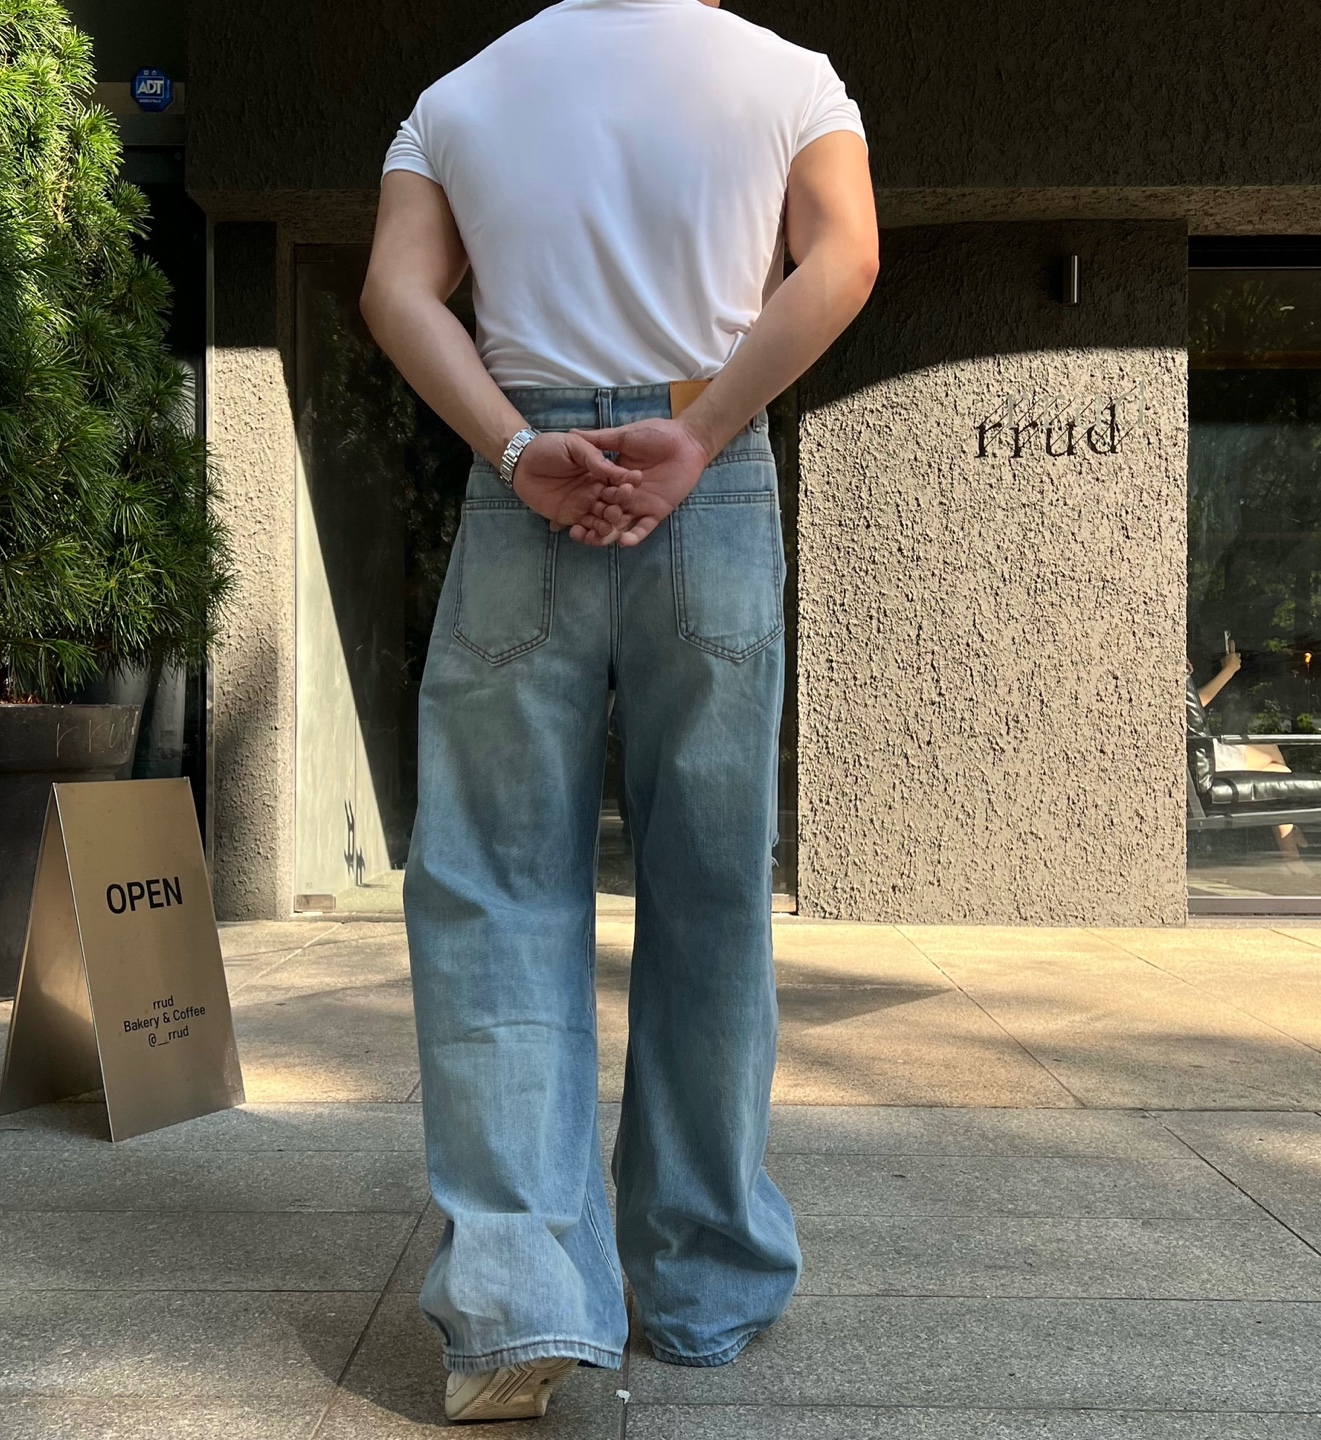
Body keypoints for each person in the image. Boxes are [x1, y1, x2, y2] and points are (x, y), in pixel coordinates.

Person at [360, 0, 878, 1422]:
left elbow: (396, 295)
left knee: (494, 890)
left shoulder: (458, 96)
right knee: (710, 891)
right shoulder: (791, 78)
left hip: (524, 481)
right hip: (708, 483)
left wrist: (519, 445)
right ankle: (699, 1286)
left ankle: (521, 1308)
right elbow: (845, 258)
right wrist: (697, 433)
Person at [1187, 639, 1305, 860]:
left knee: (1280, 773)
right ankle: (1291, 843)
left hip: (1201, 752)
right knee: (1271, 752)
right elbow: (1191, 706)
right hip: (1205, 756)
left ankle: (1292, 856)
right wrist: (1229, 670)